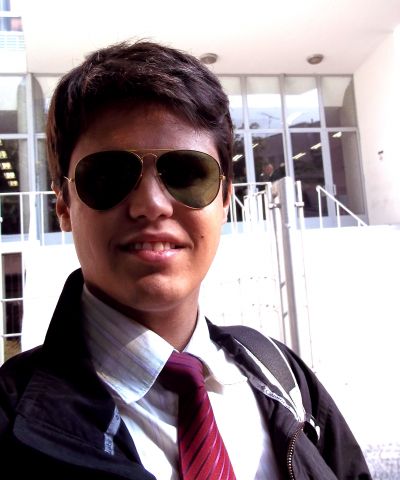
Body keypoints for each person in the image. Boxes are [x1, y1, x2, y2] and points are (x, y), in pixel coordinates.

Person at [0, 41, 371, 479]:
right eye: (109, 175)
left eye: (187, 174)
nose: (152, 205)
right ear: (63, 204)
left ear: (225, 198)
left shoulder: (284, 377)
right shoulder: (9, 422)